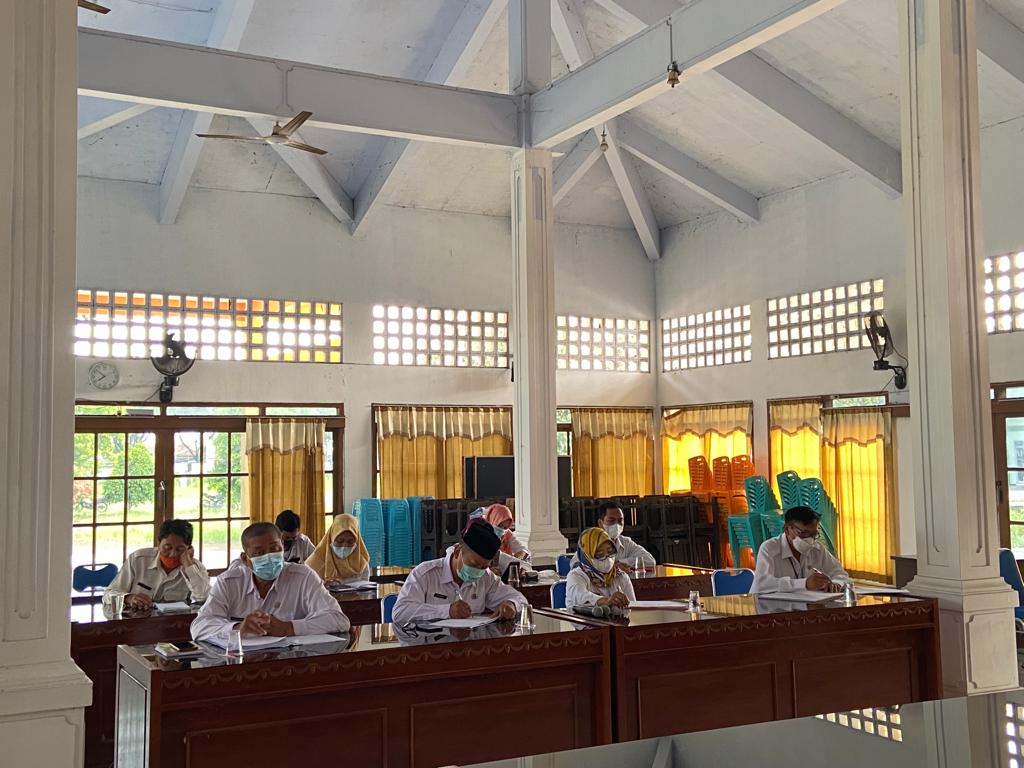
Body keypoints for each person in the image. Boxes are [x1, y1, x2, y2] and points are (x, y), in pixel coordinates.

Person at [191, 522, 349, 645]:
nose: (269, 557)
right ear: (245, 559)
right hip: (244, 663)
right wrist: (238, 629)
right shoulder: (229, 582)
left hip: (291, 662)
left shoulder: (303, 577)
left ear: (282, 548)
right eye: (259, 553)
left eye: (274, 549)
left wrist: (289, 628)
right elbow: (199, 626)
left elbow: (338, 620)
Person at [392, 518, 528, 627]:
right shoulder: (425, 574)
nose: (478, 571)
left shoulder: (486, 578)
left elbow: (521, 600)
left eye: (483, 567)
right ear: (457, 552)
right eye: (474, 564)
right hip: (431, 647)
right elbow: (400, 612)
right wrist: (447, 611)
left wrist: (511, 604)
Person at [103, 519, 209, 611]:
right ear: (158, 543)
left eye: (180, 549)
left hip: (175, 622)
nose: (172, 554)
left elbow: (204, 598)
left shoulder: (194, 567)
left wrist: (188, 566)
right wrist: (128, 598)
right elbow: (109, 594)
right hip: (137, 621)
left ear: (188, 548)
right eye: (167, 548)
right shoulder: (138, 560)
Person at [751, 506, 850, 593]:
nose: (809, 539)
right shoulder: (769, 548)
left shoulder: (817, 548)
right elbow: (762, 584)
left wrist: (836, 583)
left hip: (807, 605)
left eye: (813, 534)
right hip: (772, 607)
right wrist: (804, 584)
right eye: (803, 533)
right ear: (787, 529)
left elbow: (840, 574)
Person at [570, 501, 655, 572]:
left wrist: (620, 563)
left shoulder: (625, 542)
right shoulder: (590, 542)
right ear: (600, 523)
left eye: (620, 521)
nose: (617, 525)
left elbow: (650, 560)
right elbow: (575, 565)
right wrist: (609, 565)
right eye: (611, 520)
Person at [565, 527, 636, 610]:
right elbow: (581, 597)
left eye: (610, 551)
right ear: (587, 556)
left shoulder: (620, 576)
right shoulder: (576, 576)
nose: (607, 558)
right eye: (600, 554)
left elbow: (633, 609)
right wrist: (607, 601)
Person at [304, 513, 371, 586]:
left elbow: (364, 587)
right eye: (340, 541)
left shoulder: (361, 563)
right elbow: (306, 587)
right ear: (331, 539)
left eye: (350, 542)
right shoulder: (314, 563)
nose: (344, 546)